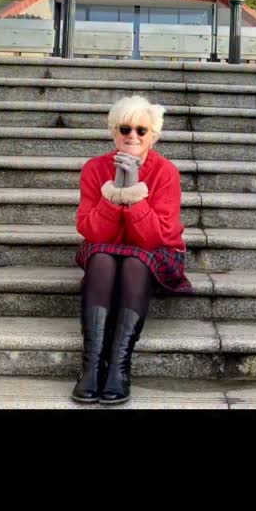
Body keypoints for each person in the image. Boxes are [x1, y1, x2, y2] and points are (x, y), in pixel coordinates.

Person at [72, 94, 192, 405]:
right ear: (114, 132)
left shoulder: (166, 172)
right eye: (125, 129)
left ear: (153, 135)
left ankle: (119, 368)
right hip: (108, 252)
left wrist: (135, 195)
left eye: (142, 130)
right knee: (101, 256)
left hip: (156, 252)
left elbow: (154, 239)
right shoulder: (95, 169)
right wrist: (114, 194)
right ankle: (92, 366)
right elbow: (92, 231)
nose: (132, 136)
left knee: (136, 262)